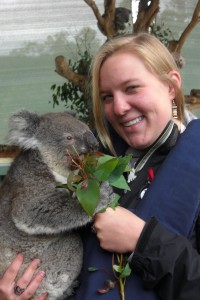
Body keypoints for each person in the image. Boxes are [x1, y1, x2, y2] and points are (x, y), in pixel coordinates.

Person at [1, 32, 200, 299]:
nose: (118, 107)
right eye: (107, 97)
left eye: (132, 88)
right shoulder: (92, 159)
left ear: (170, 86)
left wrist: (144, 241)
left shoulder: (192, 163)